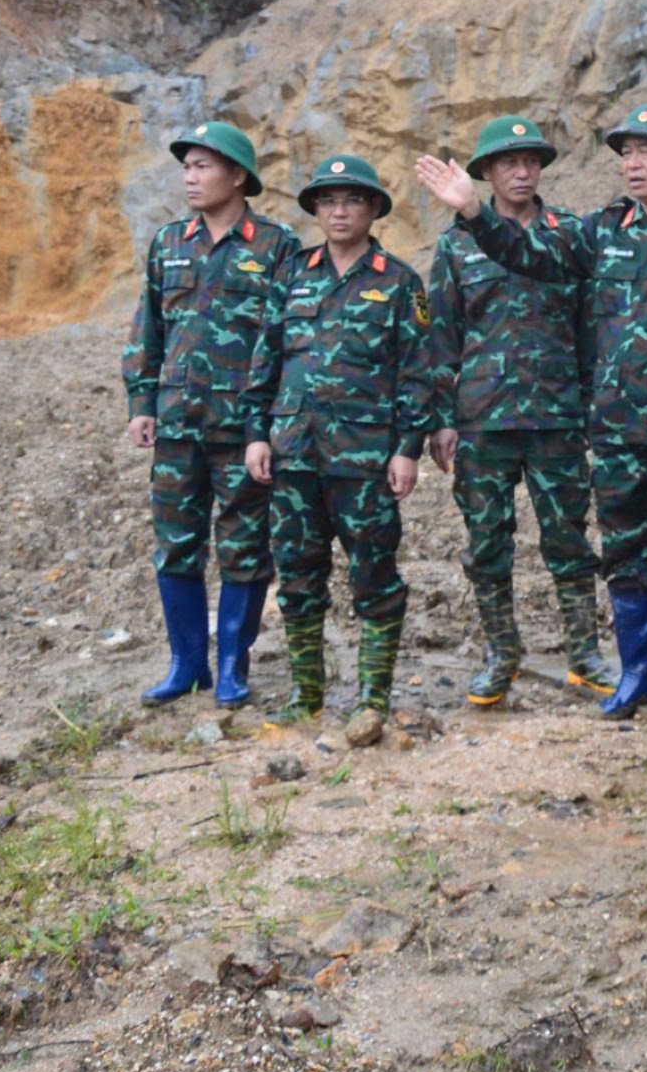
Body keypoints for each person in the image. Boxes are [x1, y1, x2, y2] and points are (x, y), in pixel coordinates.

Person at [416, 105, 647, 721]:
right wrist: (473, 212)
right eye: (624, 152)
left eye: (645, 151)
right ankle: (642, 676)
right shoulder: (597, 231)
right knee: (625, 554)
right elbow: (527, 253)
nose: (631, 162)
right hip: (617, 430)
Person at [423, 116, 616, 706]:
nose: (522, 170)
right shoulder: (456, 245)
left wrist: (590, 410)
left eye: (531, 160)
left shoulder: (570, 234)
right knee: (487, 542)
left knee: (569, 538)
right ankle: (502, 652)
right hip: (483, 417)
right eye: (508, 161)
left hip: (556, 415)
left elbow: (592, 333)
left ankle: (584, 652)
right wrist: (441, 417)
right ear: (485, 173)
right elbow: (441, 338)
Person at [244, 156, 440, 724]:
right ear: (315, 210)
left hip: (365, 461)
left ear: (374, 208)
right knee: (299, 578)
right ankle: (306, 696)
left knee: (375, 578)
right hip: (295, 456)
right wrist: (257, 436)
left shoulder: (400, 281)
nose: (338, 210)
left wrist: (408, 449)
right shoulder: (292, 274)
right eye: (328, 201)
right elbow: (267, 362)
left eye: (351, 200)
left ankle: (372, 699)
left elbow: (416, 373)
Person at [121, 121, 303, 708]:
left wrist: (267, 428)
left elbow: (288, 344)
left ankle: (232, 667)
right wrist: (141, 402)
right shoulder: (169, 242)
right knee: (176, 544)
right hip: (177, 423)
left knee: (245, 547)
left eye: (203, 166)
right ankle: (186, 666)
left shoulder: (277, 247)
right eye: (186, 166)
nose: (190, 176)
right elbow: (148, 327)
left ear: (238, 176)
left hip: (242, 429)